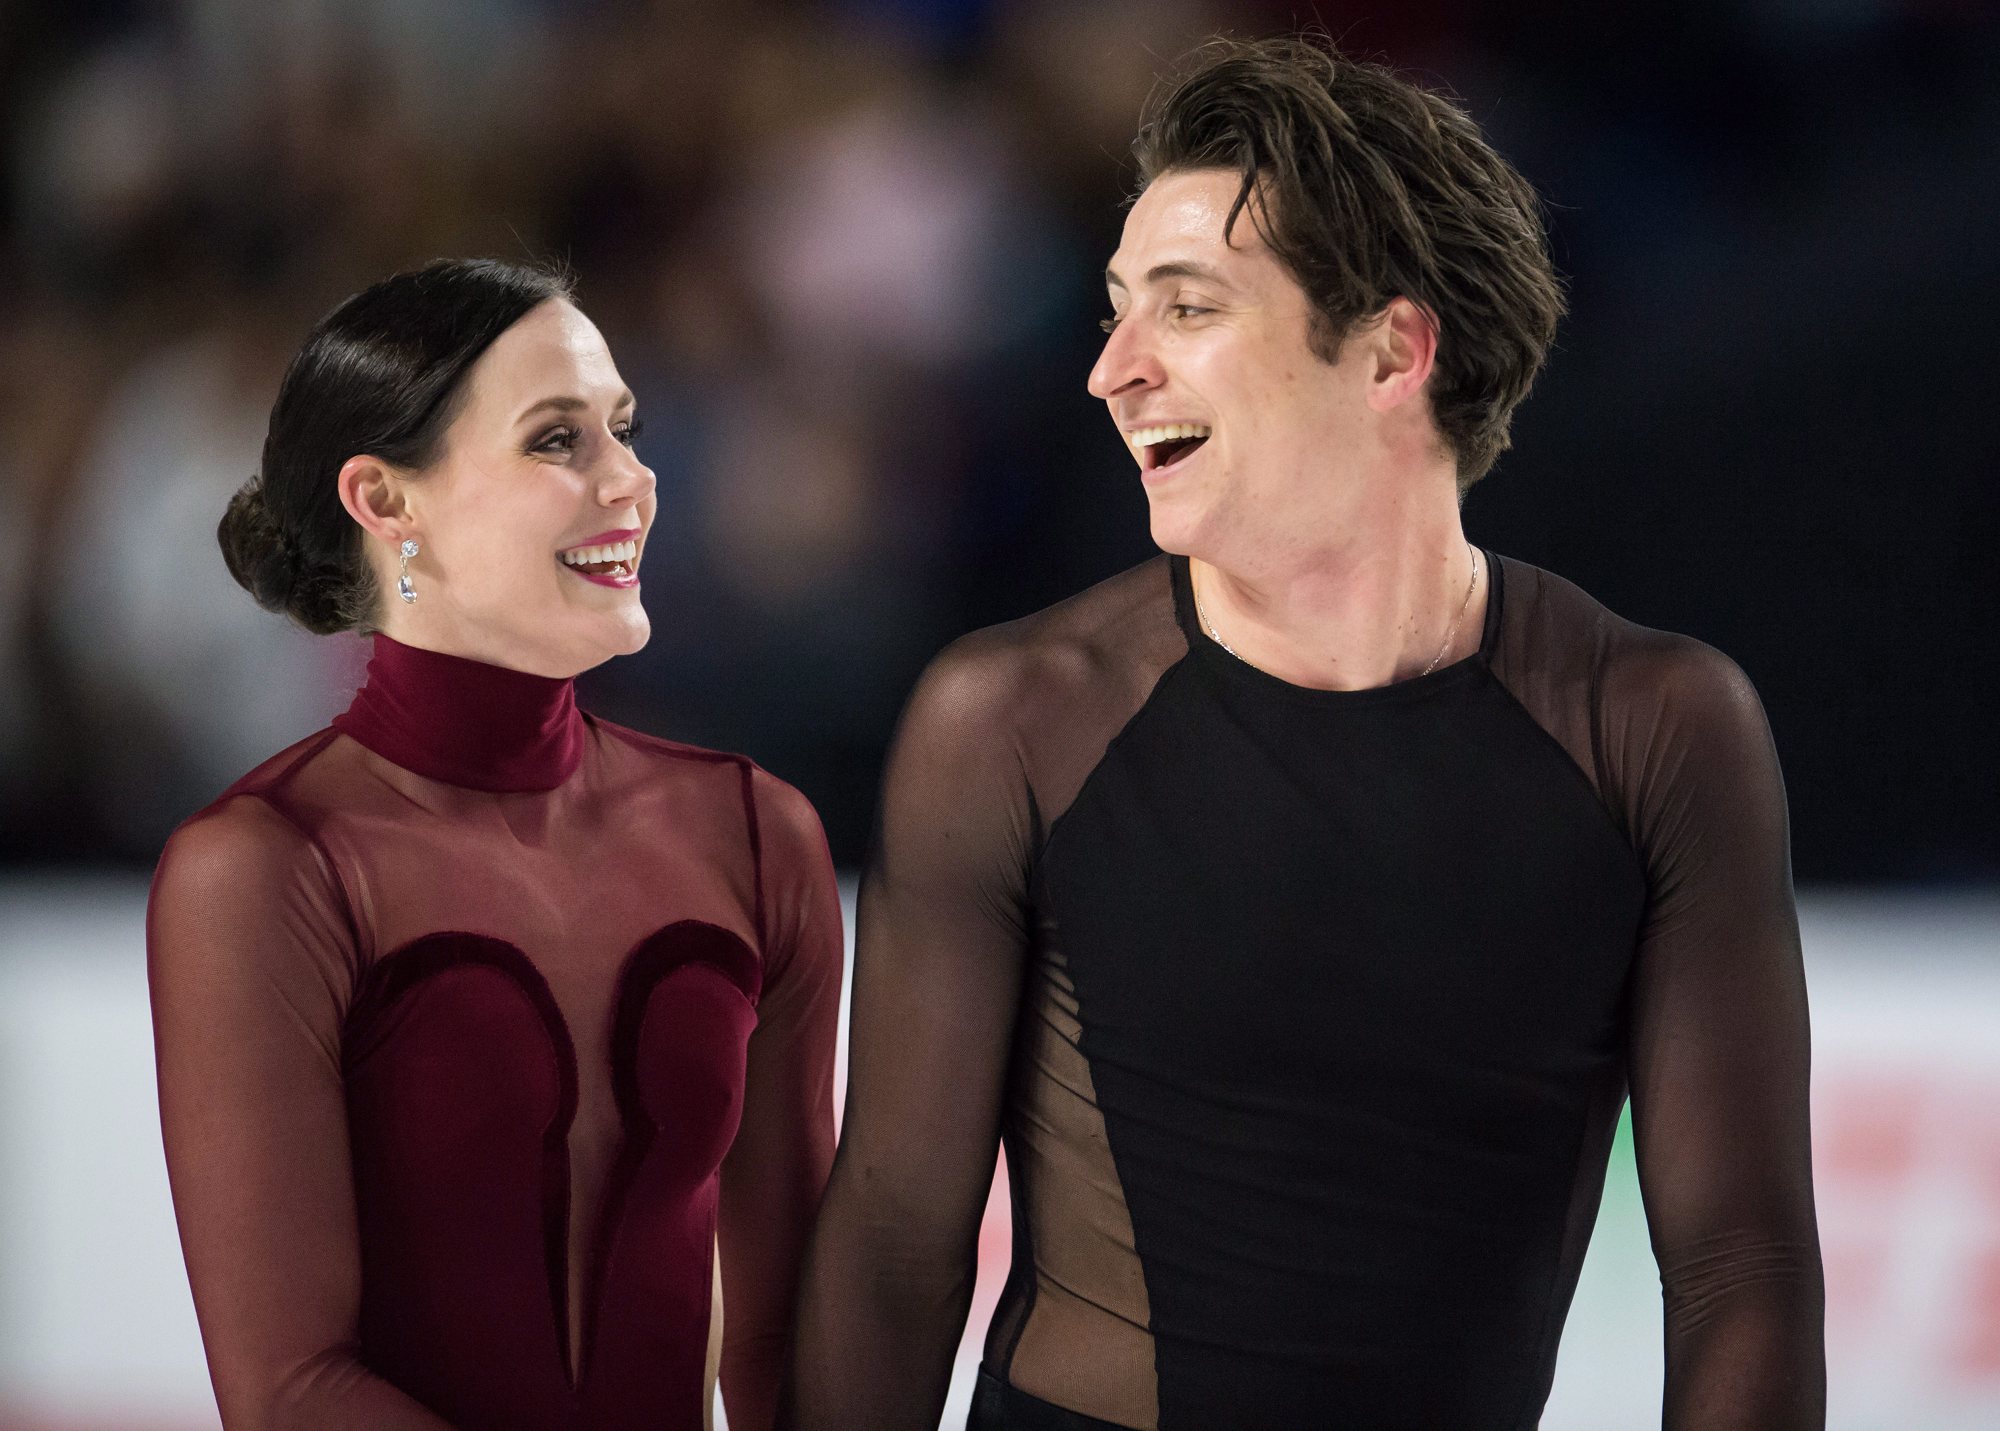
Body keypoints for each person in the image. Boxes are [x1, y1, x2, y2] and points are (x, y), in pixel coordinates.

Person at [783, 37, 1823, 1431]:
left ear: (1393, 350)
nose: (1113, 369)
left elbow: (1741, 1263)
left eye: (1187, 307)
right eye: (1114, 309)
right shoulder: (1018, 717)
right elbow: (898, 1238)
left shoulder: (1653, 727)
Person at [146, 258, 842, 1431]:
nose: (632, 479)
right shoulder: (267, 868)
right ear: (385, 501)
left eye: (622, 428)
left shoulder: (755, 833)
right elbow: (290, 1391)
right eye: (556, 442)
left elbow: (785, 1337)